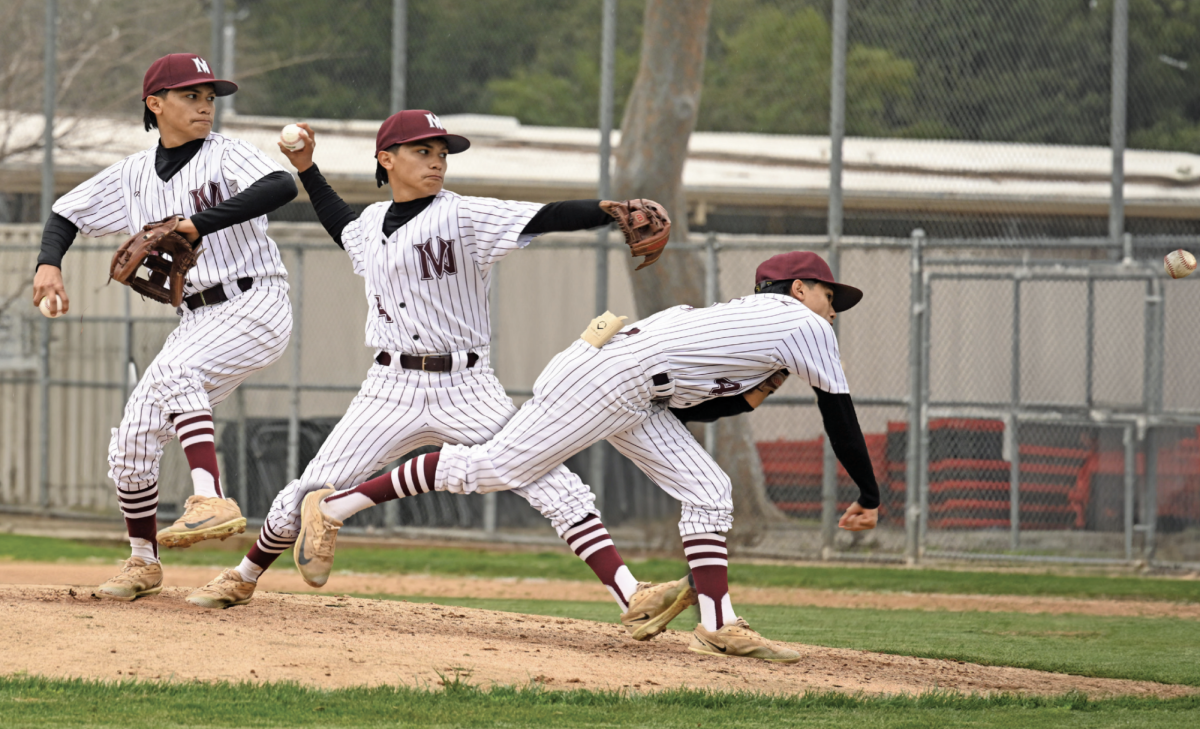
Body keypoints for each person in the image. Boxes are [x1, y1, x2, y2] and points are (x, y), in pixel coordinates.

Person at [186, 111, 690, 636]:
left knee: (549, 480)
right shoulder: (371, 225)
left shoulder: (464, 216)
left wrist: (607, 210)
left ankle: (632, 595)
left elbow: (545, 215)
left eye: (442, 154)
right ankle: (243, 576)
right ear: (387, 159)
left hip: (467, 387)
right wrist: (308, 169)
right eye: (422, 152)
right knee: (312, 486)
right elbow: (340, 225)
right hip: (389, 386)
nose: (436, 162)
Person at [294, 250, 881, 663]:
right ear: (800, 290)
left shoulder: (742, 325)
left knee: (709, 491)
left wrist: (746, 398)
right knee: (490, 468)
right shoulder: (802, 324)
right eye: (831, 297)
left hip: (629, 384)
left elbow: (686, 410)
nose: (834, 310)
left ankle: (718, 623)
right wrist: (870, 494)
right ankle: (336, 508)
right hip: (611, 378)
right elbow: (840, 415)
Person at [32, 53, 298, 600]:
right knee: (130, 443)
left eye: (208, 96)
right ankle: (142, 563)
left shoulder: (226, 155)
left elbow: (280, 187)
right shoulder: (132, 174)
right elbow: (65, 213)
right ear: (155, 104)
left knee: (178, 371)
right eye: (189, 95)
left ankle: (210, 498)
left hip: (255, 300)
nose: (204, 105)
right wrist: (48, 265)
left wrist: (194, 224)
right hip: (198, 316)